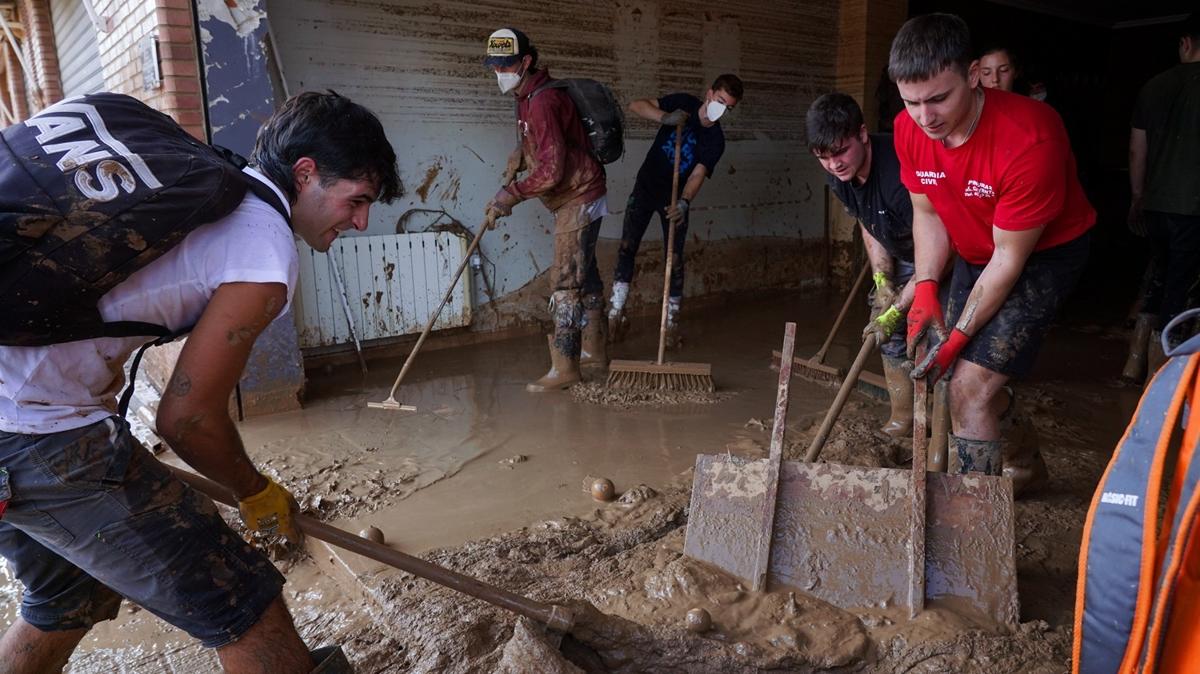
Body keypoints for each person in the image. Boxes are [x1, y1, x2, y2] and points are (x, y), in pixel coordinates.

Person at [0, 92, 401, 672]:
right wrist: (253, 489)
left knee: (67, 596)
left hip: (15, 416)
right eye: (356, 200)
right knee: (241, 599)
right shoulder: (263, 247)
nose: (361, 221)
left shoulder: (215, 186)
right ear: (306, 173)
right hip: (34, 427)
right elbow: (185, 419)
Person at [889, 13, 1095, 495]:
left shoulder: (1031, 137)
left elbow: (1009, 258)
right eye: (911, 101)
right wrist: (924, 287)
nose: (925, 117)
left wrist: (961, 336)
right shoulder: (908, 128)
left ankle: (973, 525)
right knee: (950, 373)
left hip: (1042, 254)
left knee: (967, 387)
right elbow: (929, 214)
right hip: (976, 248)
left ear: (974, 74)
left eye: (939, 98)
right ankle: (1022, 463)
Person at [483, 27, 609, 391]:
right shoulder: (526, 96)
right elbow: (543, 141)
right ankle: (595, 350)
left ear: (526, 61)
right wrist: (521, 153)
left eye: (506, 66)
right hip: (581, 191)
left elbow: (552, 172)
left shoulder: (543, 101)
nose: (499, 74)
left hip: (579, 195)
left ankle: (567, 366)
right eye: (494, 67)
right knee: (587, 274)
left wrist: (509, 196)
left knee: (565, 281)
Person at [806, 92, 918, 440]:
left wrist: (902, 306)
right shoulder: (838, 175)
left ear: (863, 135)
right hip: (899, 245)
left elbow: (940, 252)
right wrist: (883, 280)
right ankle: (903, 419)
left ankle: (947, 436)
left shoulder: (902, 175)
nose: (834, 164)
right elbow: (869, 224)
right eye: (823, 157)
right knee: (881, 321)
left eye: (840, 152)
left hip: (948, 251)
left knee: (932, 338)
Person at [607, 74, 744, 347]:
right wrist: (665, 118)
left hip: (675, 199)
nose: (721, 110)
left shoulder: (716, 140)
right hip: (646, 188)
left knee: (675, 259)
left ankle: (670, 325)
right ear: (709, 93)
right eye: (719, 101)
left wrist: (684, 202)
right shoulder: (682, 103)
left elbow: (698, 173)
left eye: (728, 107)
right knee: (627, 247)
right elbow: (636, 105)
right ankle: (616, 313)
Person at [1124, 12, 1200, 378]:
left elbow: (1137, 150)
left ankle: (1134, 360)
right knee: (1181, 288)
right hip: (1194, 208)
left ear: (1186, 44)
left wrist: (1138, 196)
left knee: (1157, 273)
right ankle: (1161, 376)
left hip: (1155, 204)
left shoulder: (1155, 85)